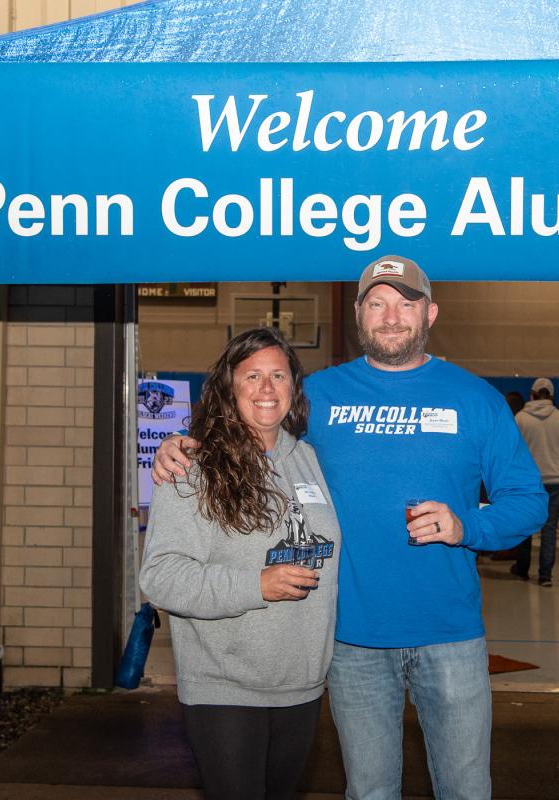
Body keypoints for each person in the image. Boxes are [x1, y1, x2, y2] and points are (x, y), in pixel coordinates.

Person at [153, 255, 547, 800]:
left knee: (464, 789)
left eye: (405, 304)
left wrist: (467, 526)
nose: (391, 317)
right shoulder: (319, 396)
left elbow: (528, 501)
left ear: (429, 313)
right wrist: (183, 445)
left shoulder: (474, 398)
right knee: (369, 792)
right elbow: (251, 424)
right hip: (348, 641)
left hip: (450, 635)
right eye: (377, 303)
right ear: (359, 315)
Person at [138, 327, 342, 800]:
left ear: (294, 387)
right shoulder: (193, 466)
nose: (267, 389)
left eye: (278, 375)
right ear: (230, 387)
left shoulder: (310, 459)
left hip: (302, 685)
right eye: (252, 376)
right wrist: (256, 585)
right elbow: (161, 577)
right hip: (225, 688)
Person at [511, 378, 559, 587]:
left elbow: (511, 451)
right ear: (551, 396)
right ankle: (545, 575)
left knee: (525, 526)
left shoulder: (520, 419)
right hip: (554, 482)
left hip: (527, 483)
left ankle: (522, 569)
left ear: (532, 394)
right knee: (549, 528)